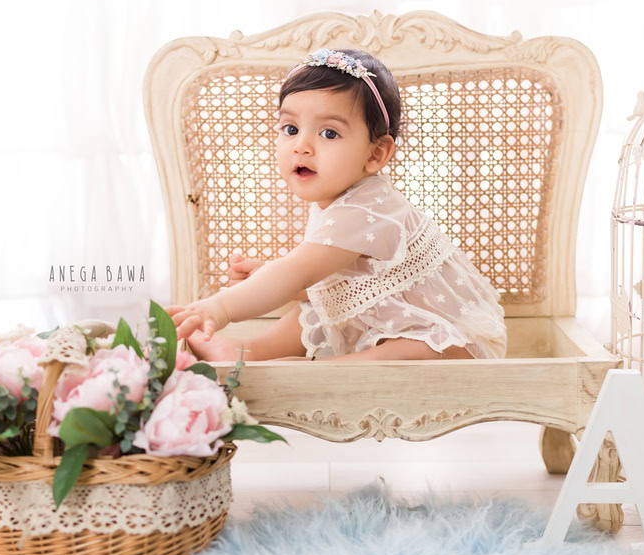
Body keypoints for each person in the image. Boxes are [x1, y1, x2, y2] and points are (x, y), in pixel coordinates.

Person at [168, 48, 506, 362]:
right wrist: (276, 280)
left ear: (375, 154)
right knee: (317, 309)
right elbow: (347, 281)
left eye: (329, 134)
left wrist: (219, 308)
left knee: (401, 354)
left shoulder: (367, 209)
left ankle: (322, 372)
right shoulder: (337, 198)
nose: (302, 146)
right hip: (389, 318)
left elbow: (293, 271)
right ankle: (251, 351)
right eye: (290, 128)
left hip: (446, 340)